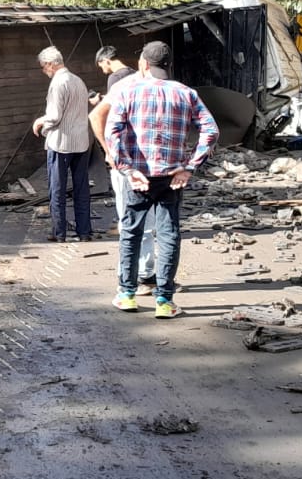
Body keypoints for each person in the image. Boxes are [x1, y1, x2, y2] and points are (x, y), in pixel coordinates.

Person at [104, 42, 220, 320]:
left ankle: (127, 295)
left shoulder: (127, 92)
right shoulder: (186, 93)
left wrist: (127, 169)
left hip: (139, 178)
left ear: (143, 64)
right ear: (168, 67)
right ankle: (165, 302)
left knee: (131, 232)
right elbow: (211, 131)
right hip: (171, 177)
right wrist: (190, 167)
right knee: (168, 235)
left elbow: (112, 133)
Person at [89, 48, 155, 295]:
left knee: (138, 220)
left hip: (137, 163)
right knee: (135, 220)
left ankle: (140, 275)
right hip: (130, 162)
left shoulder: (122, 82)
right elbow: (97, 116)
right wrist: (109, 151)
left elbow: (97, 115)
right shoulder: (127, 81)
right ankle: (134, 278)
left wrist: (108, 150)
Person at [32, 46, 92, 243]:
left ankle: (59, 232)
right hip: (81, 142)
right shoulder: (78, 80)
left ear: (50, 64)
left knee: (57, 189)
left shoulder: (58, 83)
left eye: (43, 67)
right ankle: (84, 231)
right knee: (81, 189)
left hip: (61, 142)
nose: (43, 71)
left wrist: (40, 123)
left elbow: (55, 116)